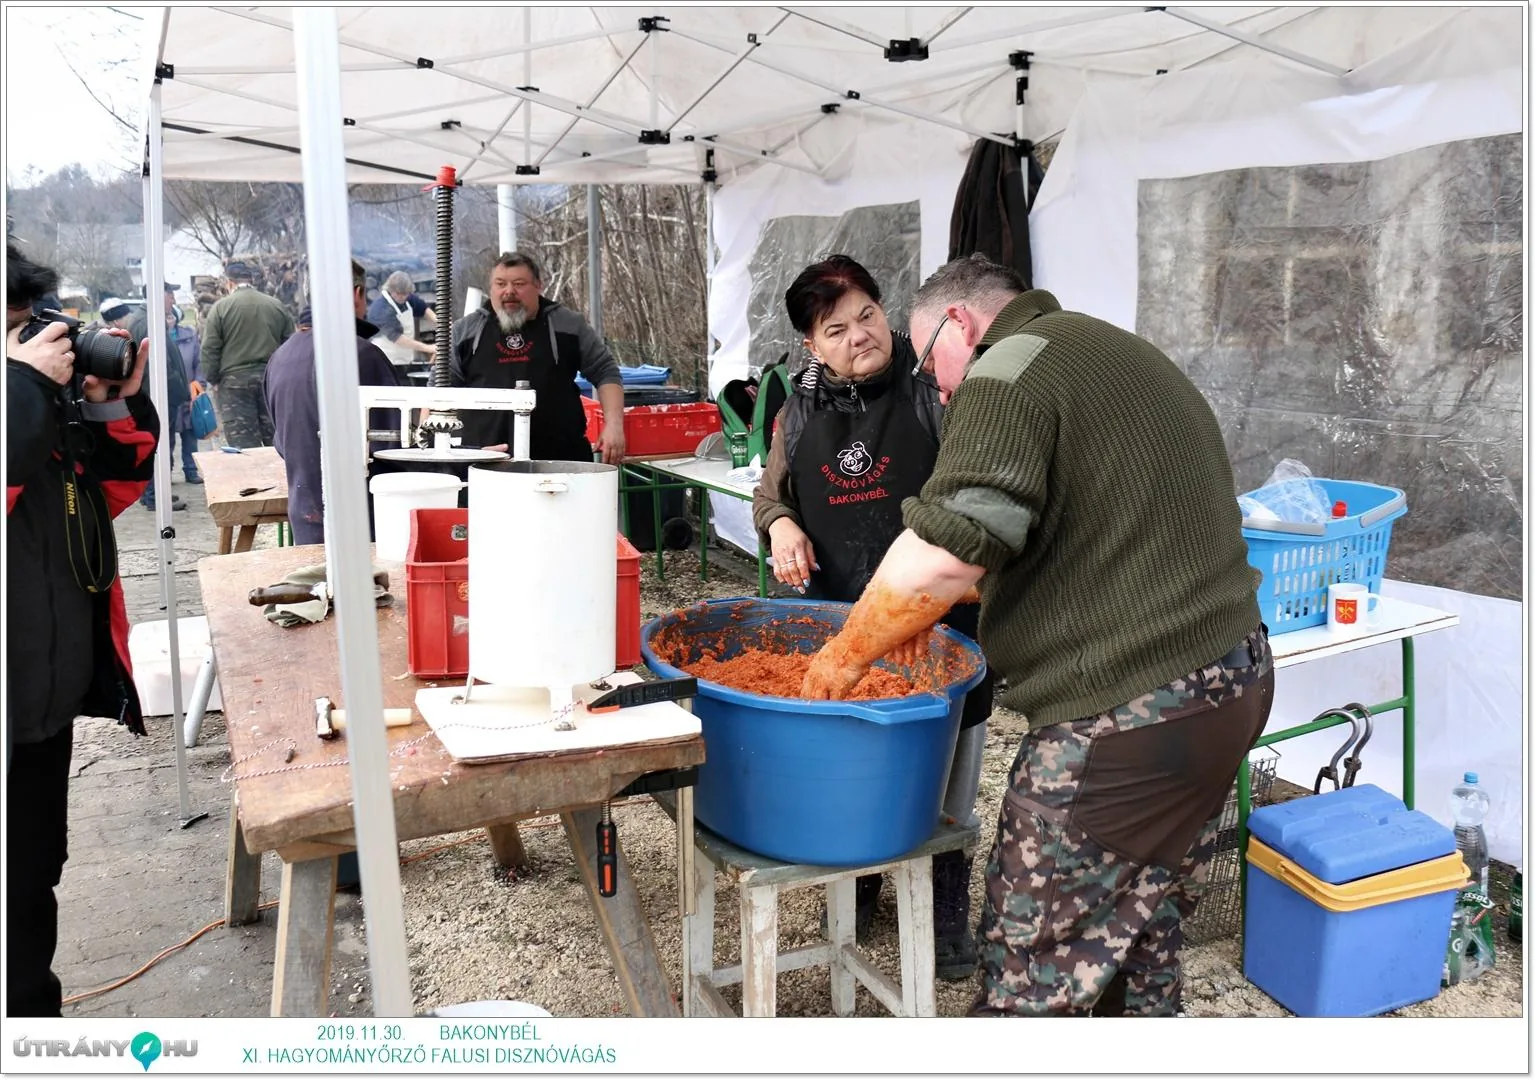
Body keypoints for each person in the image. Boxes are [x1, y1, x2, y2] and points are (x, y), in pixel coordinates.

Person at [801, 253, 1273, 1017]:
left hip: (1134, 708)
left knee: (1034, 952)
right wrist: (932, 608)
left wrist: (844, 654)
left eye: (933, 369)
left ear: (959, 323)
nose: (941, 391)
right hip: (1230, 678)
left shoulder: (1006, 367)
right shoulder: (1106, 349)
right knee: (1135, 909)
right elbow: (1084, 527)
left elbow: (944, 552)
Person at [751, 254, 994, 981]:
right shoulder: (796, 412)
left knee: (946, 774)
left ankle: (946, 916)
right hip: (836, 623)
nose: (860, 335)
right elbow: (769, 495)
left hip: (937, 624)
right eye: (836, 328)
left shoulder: (935, 393)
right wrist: (780, 526)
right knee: (849, 768)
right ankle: (855, 898)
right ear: (811, 346)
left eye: (866, 316)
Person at [6, 243, 159, 1016]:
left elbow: (105, 500)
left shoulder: (28, 400)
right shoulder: (18, 396)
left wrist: (105, 400)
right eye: (11, 331)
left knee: (30, 881)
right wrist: (25, 387)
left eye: (28, 323)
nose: (29, 342)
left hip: (40, 700)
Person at [263, 259, 403, 546]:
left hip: (305, 517)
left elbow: (281, 441)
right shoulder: (361, 355)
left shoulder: (280, 357)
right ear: (356, 294)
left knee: (319, 590)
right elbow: (396, 447)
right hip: (362, 524)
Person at [450, 252, 626, 463]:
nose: (509, 291)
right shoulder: (465, 332)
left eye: (519, 283)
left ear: (538, 285)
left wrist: (614, 426)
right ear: (491, 289)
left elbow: (606, 371)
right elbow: (439, 388)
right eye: (500, 284)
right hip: (485, 462)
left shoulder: (568, 325)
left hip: (561, 463)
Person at [201, 261, 295, 448]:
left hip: (234, 385)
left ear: (229, 282)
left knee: (244, 448)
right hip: (271, 381)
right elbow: (289, 345)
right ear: (251, 280)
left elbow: (210, 348)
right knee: (276, 442)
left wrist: (213, 379)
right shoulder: (275, 305)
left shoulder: (220, 308)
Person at [132, 283, 199, 513]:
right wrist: (177, 390)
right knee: (158, 446)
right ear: (157, 295)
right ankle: (154, 496)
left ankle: (151, 492)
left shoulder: (149, 318)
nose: (173, 299)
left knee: (157, 444)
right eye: (170, 294)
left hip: (156, 395)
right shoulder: (147, 321)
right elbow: (157, 362)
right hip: (156, 396)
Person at [366, 270, 435, 367]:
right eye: (398, 293)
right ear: (390, 290)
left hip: (404, 357)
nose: (402, 297)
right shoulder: (380, 309)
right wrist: (429, 348)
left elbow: (423, 308)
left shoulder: (407, 298)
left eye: (405, 294)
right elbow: (397, 338)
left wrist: (440, 322)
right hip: (386, 359)